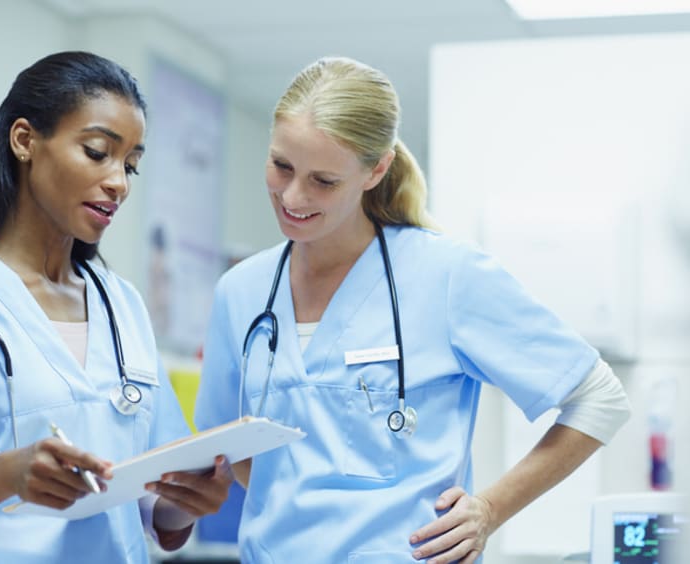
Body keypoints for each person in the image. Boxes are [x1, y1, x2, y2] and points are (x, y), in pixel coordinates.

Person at [194, 56, 631, 563]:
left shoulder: (445, 275)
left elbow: (600, 399)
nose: (292, 196)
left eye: (324, 181)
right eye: (281, 166)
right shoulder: (241, 292)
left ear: (375, 170)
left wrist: (489, 509)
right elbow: (231, 449)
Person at [0, 51, 233, 563]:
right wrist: (7, 474)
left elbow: (153, 500)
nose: (118, 181)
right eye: (98, 152)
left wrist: (187, 502)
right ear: (25, 140)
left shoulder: (121, 304)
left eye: (131, 166)